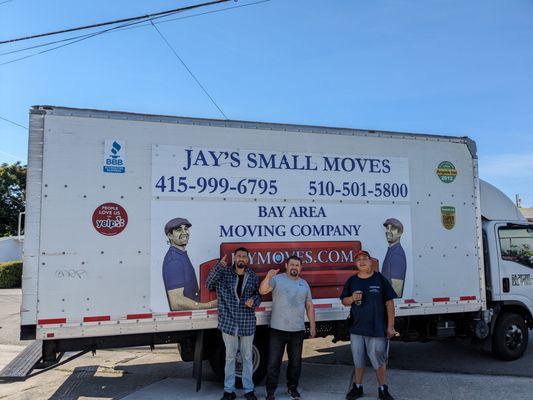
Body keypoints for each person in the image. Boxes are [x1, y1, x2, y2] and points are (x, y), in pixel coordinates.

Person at [206, 247, 262, 400]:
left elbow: (258, 295)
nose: (241, 258)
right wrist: (219, 267)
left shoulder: (252, 276)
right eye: (239, 256)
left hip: (247, 323)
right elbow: (208, 283)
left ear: (247, 260)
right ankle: (229, 391)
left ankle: (248, 390)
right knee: (230, 358)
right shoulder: (224, 274)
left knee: (247, 358)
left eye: (244, 256)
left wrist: (254, 301)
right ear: (235, 258)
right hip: (229, 323)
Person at [341, 250, 397, 400]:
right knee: (358, 360)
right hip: (357, 329)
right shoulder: (352, 281)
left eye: (365, 258)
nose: (362, 261)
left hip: (377, 328)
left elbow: (389, 303)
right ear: (356, 263)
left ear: (370, 261)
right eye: (358, 259)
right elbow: (344, 301)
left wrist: (390, 326)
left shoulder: (380, 279)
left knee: (378, 360)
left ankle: (383, 389)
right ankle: (357, 387)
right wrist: (352, 298)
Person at [259, 255, 316, 400]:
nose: (294, 267)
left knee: (295, 363)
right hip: (277, 330)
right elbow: (262, 291)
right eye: (292, 265)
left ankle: (293, 388)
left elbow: (309, 306)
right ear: (286, 265)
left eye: (297, 265)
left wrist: (312, 326)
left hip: (297, 331)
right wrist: (267, 277)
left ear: (301, 268)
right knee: (273, 363)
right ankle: (271, 392)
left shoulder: (304, 284)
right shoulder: (277, 279)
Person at [162, 217, 216, 310]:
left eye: (186, 229)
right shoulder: (174, 261)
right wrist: (209, 305)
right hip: (185, 319)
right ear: (170, 236)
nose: (184, 233)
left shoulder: (181, 255)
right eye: (179, 230)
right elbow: (176, 302)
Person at [381, 218, 407, 297]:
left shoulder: (397, 255)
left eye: (392, 229)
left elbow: (396, 291)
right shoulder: (391, 250)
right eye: (387, 228)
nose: (388, 231)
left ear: (400, 233)